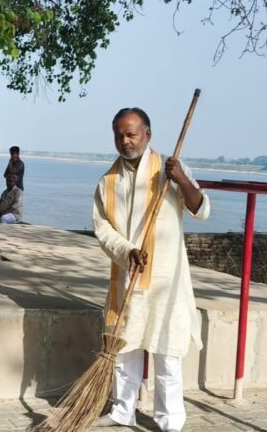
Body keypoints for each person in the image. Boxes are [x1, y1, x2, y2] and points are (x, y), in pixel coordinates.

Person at [92, 107, 210, 432]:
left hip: (164, 280)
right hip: (127, 276)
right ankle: (122, 411)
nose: (125, 141)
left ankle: (170, 421)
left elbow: (202, 210)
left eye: (131, 134)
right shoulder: (108, 181)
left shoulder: (170, 169)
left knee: (166, 351)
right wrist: (126, 249)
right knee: (123, 348)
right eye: (119, 135)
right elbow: (102, 229)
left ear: (147, 134)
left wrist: (182, 179)